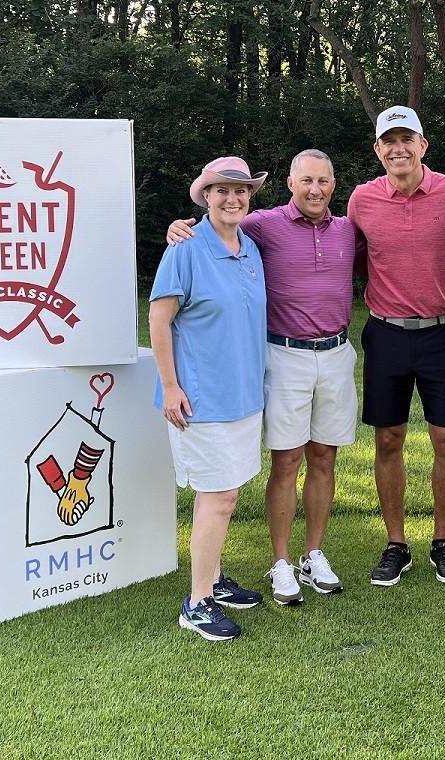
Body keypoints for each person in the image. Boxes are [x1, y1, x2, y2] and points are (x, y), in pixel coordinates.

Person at [166, 150, 361, 606]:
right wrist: (182, 226)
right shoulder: (263, 225)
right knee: (287, 460)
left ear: (334, 185)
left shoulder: (349, 230)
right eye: (306, 180)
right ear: (290, 185)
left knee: (325, 457)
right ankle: (280, 562)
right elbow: (215, 226)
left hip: (336, 354)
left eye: (324, 181)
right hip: (284, 354)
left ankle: (314, 553)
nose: (315, 189)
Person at [347, 106, 445, 586]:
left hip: (442, 332)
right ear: (378, 149)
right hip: (384, 333)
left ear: (424, 145)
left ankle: (443, 542)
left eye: (408, 139)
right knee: (388, 440)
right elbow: (345, 251)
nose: (398, 148)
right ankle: (396, 544)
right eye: (389, 141)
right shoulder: (361, 200)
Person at [149, 156, 269, 641]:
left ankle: (214, 580)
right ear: (205, 196)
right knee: (216, 497)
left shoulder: (251, 247)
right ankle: (197, 603)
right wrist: (171, 387)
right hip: (199, 400)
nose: (232, 198)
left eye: (241, 191)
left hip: (241, 396)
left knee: (227, 492)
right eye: (222, 190)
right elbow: (159, 319)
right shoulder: (185, 247)